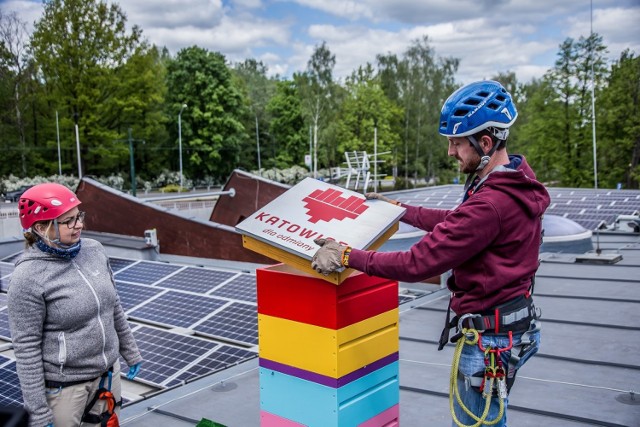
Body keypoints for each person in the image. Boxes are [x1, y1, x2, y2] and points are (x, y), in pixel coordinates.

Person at [312, 80, 550, 426]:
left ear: (484, 143)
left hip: (489, 344)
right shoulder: (513, 179)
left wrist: (347, 256)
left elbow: (416, 262)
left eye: (456, 143)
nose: (451, 152)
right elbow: (459, 222)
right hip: (513, 327)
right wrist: (400, 210)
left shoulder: (491, 203)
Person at [7, 183, 143, 427]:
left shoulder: (94, 250)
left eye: (78, 216)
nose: (79, 224)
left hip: (108, 376)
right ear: (41, 228)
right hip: (65, 389)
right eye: (68, 221)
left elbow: (114, 306)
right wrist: (38, 412)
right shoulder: (27, 277)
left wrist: (130, 353)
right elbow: (26, 349)